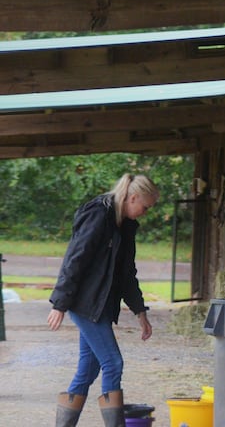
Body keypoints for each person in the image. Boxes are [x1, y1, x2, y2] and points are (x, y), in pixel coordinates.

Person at [47, 173, 159, 427]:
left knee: (88, 370)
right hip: (85, 303)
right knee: (113, 363)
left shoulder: (126, 226)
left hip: (102, 305)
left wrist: (140, 312)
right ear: (132, 197)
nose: (145, 212)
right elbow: (75, 259)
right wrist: (60, 304)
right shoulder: (98, 215)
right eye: (145, 206)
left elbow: (127, 273)